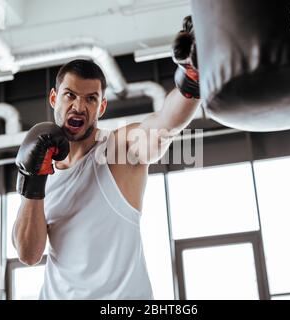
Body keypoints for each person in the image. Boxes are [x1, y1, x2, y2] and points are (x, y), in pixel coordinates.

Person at [12, 16, 201, 299]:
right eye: (70, 95)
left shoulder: (118, 150)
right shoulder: (40, 167)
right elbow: (29, 254)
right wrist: (33, 180)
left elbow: (164, 124)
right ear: (54, 99)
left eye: (90, 99)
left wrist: (191, 76)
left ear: (102, 106)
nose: (78, 106)